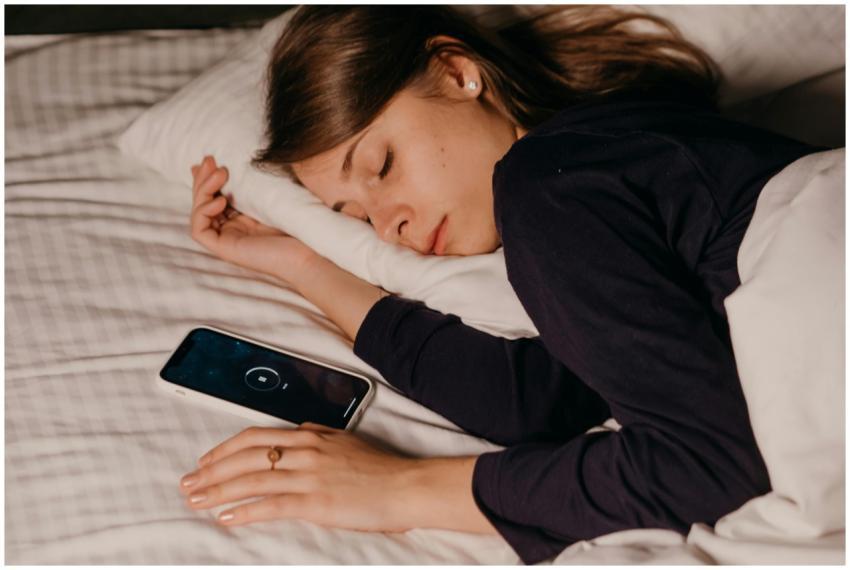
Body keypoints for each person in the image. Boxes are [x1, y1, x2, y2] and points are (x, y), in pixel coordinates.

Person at [179, 6, 821, 564]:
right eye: (353, 216)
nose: (386, 226)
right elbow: (540, 400)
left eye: (381, 165)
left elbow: (705, 467)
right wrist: (297, 261)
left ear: (458, 73)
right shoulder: (611, 156)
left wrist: (396, 490)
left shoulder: (545, 181)